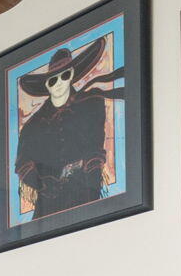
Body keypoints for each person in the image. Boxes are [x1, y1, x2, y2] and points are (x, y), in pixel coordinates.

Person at [14, 38, 119, 220]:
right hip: (48, 199)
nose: (59, 83)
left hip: (85, 188)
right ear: (47, 85)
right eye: (52, 80)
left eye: (64, 76)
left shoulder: (91, 104)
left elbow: (95, 146)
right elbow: (22, 164)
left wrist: (92, 182)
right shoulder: (32, 125)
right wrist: (42, 184)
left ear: (71, 75)